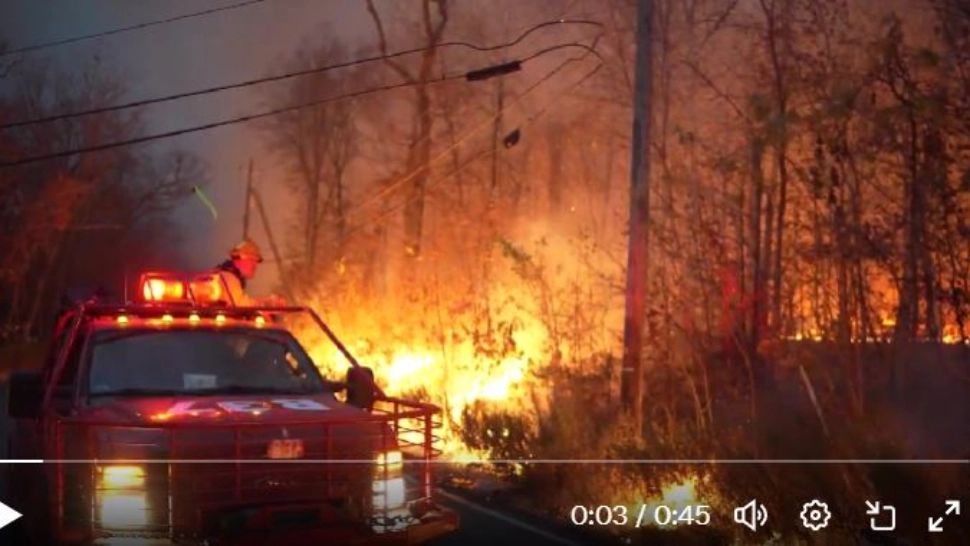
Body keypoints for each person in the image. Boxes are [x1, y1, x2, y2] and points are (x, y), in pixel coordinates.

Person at [215, 239, 285, 307]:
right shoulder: (228, 278)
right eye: (252, 259)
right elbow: (241, 306)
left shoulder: (226, 276)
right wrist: (267, 303)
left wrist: (266, 301)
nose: (255, 265)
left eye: (256, 261)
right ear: (241, 257)